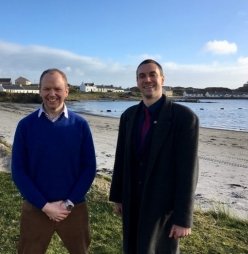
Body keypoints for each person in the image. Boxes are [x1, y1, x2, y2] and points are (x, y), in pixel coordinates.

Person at [109, 59, 199, 253]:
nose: (147, 80)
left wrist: (183, 219)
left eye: (152, 75)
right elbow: (121, 159)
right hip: (132, 200)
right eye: (142, 76)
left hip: (163, 206)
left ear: (162, 79)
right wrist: (118, 197)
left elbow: (188, 170)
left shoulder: (184, 117)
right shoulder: (129, 116)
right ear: (137, 81)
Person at [11, 68, 97, 254]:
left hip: (74, 209)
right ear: (40, 91)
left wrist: (68, 203)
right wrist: (44, 206)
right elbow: (18, 170)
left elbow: (89, 168)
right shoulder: (25, 125)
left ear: (66, 91)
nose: (52, 94)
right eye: (47, 89)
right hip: (36, 209)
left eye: (57, 89)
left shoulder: (80, 125)